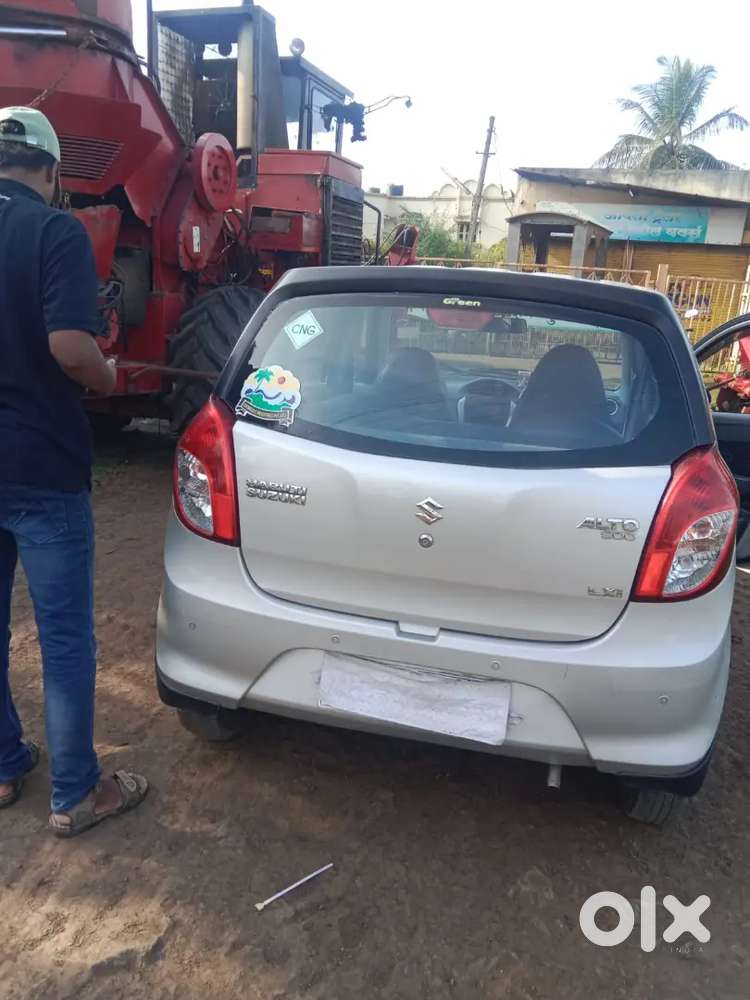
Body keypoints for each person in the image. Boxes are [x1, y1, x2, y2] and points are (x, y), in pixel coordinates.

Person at [0, 106, 148, 837]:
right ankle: (76, 793)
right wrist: (109, 375)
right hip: (42, 466)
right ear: (54, 172)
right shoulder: (54, 230)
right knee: (63, 638)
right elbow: (70, 347)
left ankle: (3, 766)